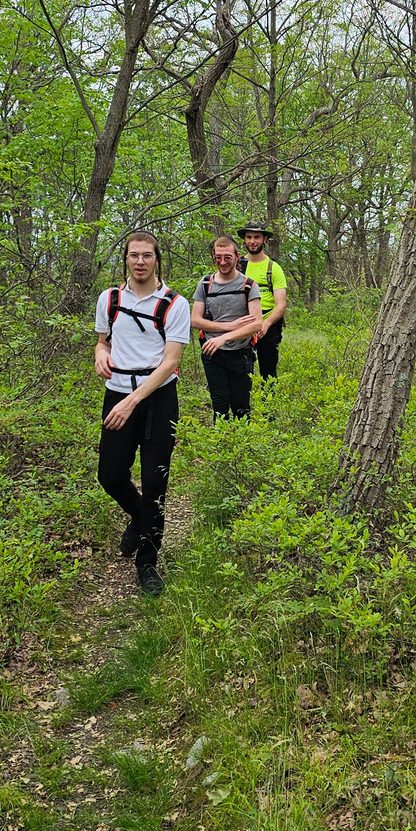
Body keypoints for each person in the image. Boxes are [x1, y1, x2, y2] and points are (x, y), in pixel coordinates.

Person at [94, 231, 191, 597]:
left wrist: (132, 401)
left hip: (157, 398)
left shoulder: (174, 304)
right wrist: (100, 355)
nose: (140, 262)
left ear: (157, 259)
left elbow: (170, 363)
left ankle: (147, 563)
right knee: (110, 475)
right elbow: (102, 341)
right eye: (134, 255)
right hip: (117, 392)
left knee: (154, 482)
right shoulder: (110, 299)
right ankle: (139, 516)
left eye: (146, 255)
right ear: (125, 259)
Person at [191, 235, 262, 419]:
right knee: (219, 406)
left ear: (237, 256)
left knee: (241, 407)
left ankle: (242, 437)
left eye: (227, 257)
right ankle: (220, 437)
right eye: (218, 257)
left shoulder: (248, 285)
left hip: (241, 353)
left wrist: (224, 337)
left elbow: (256, 323)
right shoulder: (205, 284)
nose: (222, 262)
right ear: (213, 256)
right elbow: (195, 320)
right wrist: (230, 326)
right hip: (212, 354)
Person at [239, 224, 288, 381]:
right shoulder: (237, 266)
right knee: (241, 371)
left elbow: (281, 304)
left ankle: (269, 396)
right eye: (249, 237)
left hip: (269, 325)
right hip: (242, 324)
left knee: (268, 371)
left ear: (264, 239)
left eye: (257, 237)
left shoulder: (274, 268)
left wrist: (266, 324)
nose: (252, 241)